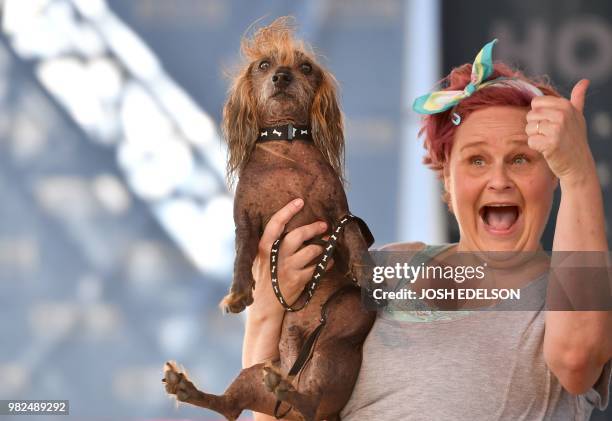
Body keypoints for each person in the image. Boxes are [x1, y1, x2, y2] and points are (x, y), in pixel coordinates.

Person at [242, 39, 612, 420]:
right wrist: (267, 308)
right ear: (447, 180)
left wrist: (579, 172)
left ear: (552, 175)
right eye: (477, 160)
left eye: (521, 159)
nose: (498, 179)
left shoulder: (578, 287)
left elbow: (576, 359)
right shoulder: (389, 268)